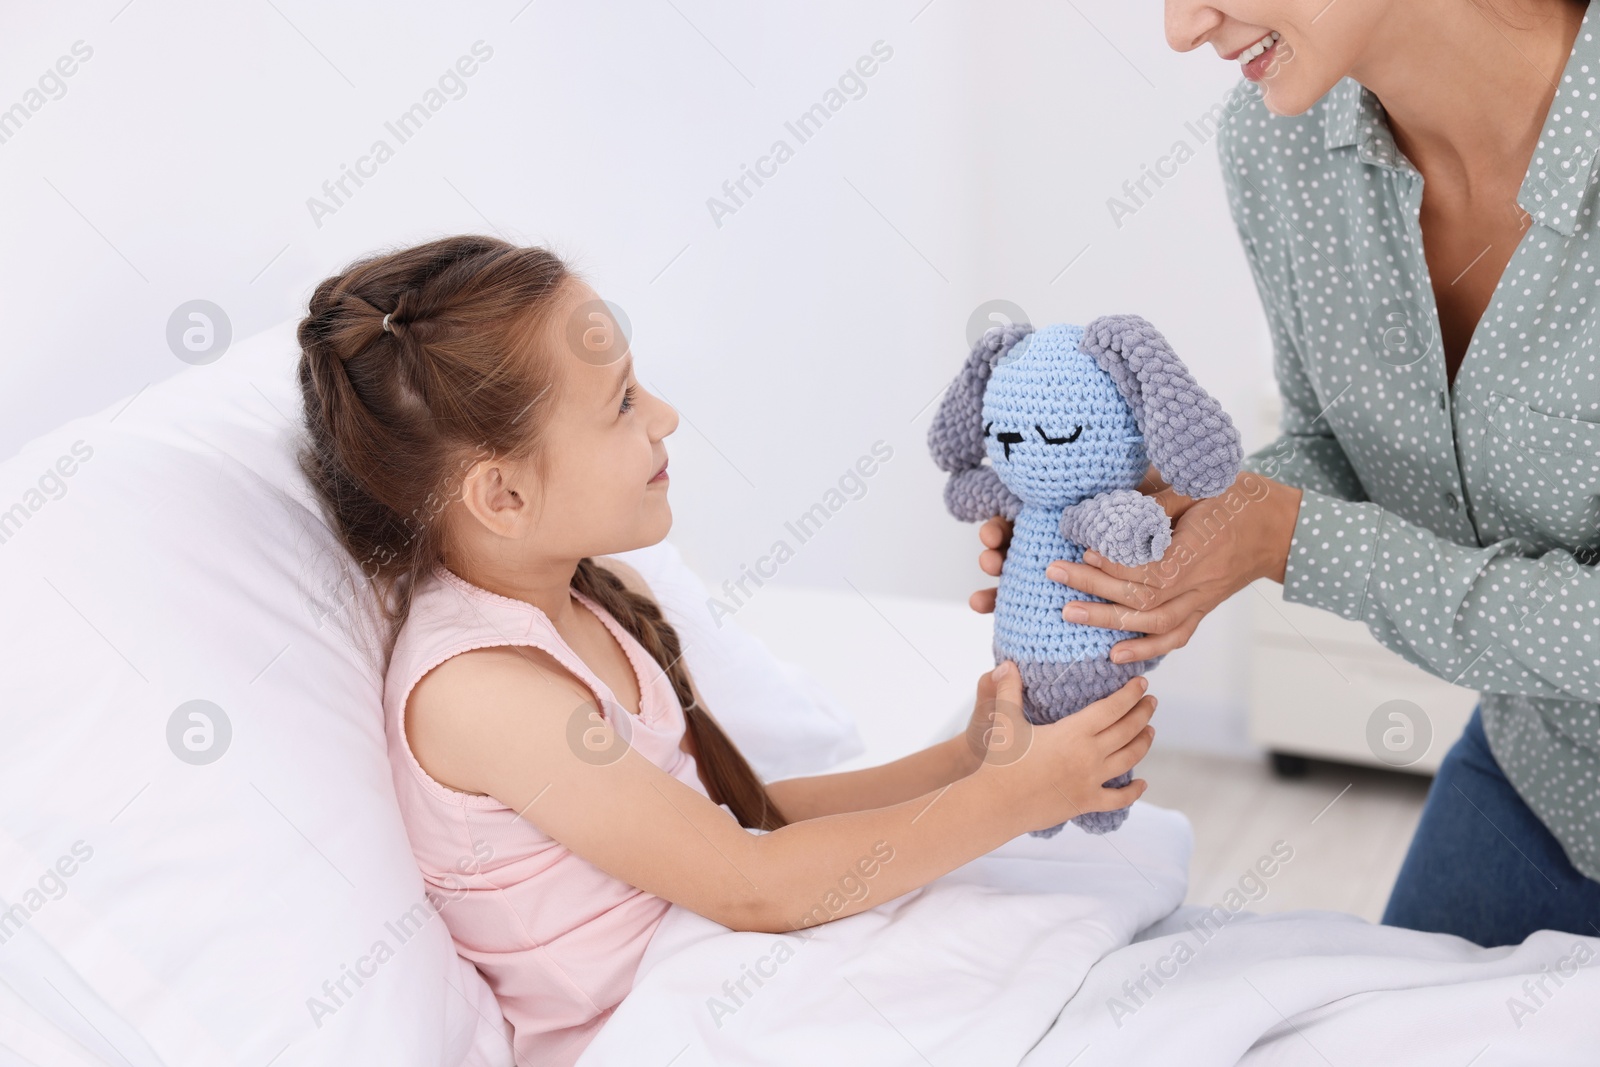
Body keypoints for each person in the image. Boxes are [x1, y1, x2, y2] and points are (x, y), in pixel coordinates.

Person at [293, 235, 1157, 1066]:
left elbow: (743, 822)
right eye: (623, 401)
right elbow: (750, 880)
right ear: (504, 493)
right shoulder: (484, 691)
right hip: (664, 1024)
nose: (664, 415)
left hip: (722, 962)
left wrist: (968, 760)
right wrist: (1012, 798)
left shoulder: (577, 601)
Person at [975, 0, 1600, 948]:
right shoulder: (1284, 146)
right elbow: (1328, 438)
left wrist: (1293, 538)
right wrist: (1196, 516)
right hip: (1542, 773)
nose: (1183, 29)